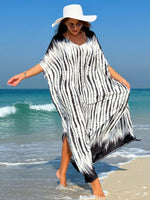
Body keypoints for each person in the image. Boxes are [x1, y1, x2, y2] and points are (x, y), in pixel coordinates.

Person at [7, 4, 136, 198]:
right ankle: (96, 186)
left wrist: (120, 79)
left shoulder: (92, 38)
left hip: (90, 92)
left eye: (77, 24)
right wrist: (22, 75)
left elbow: (103, 63)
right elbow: (45, 64)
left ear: (84, 23)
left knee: (72, 131)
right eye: (70, 24)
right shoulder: (59, 41)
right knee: (78, 133)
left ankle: (62, 173)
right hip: (68, 94)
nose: (74, 28)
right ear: (64, 24)